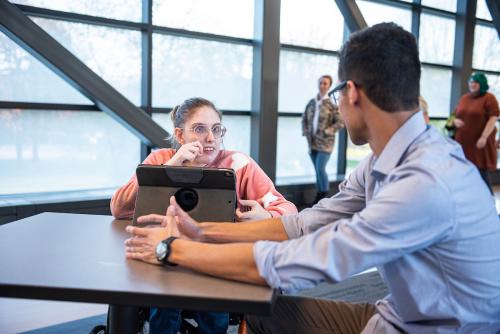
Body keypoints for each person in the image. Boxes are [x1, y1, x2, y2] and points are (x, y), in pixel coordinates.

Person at [124, 23, 500, 333]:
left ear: (351, 93)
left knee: (268, 292)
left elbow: (302, 262)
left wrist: (170, 248)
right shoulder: (384, 161)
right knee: (261, 314)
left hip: (433, 328)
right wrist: (203, 233)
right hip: (396, 313)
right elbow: (304, 224)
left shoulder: (424, 181)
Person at [111, 97, 297, 334]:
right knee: (164, 312)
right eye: (200, 129)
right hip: (166, 257)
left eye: (216, 130)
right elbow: (119, 208)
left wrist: (268, 216)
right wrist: (171, 166)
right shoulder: (160, 160)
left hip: (216, 259)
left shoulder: (238, 164)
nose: (210, 138)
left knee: (214, 317)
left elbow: (287, 209)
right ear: (180, 135)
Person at [452, 72, 499, 192]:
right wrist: (455, 121)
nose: (472, 84)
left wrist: (484, 137)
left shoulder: (489, 98)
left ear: (482, 84)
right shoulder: (464, 98)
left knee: (480, 173)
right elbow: (453, 115)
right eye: (471, 82)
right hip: (462, 143)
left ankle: (488, 203)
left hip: (479, 145)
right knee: (462, 172)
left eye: (475, 82)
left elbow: (493, 119)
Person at [302, 75, 344, 204]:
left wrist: (327, 131)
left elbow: (340, 122)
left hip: (325, 144)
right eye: (320, 83)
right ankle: (319, 195)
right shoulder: (311, 102)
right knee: (317, 170)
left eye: (325, 83)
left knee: (321, 169)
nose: (322, 85)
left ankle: (324, 195)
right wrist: (305, 132)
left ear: (329, 86)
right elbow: (304, 118)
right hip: (312, 143)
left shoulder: (332, 105)